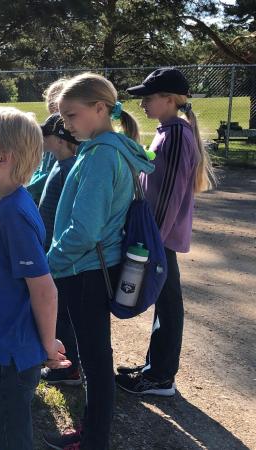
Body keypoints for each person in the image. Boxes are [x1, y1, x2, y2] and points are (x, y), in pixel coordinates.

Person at [43, 73, 154, 450]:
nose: (67, 125)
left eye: (71, 116)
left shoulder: (102, 156)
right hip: (90, 268)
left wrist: (50, 262)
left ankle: (93, 441)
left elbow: (85, 230)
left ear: (100, 108)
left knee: (94, 361)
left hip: (85, 270)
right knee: (95, 358)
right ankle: (93, 436)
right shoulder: (107, 149)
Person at [0, 107, 70, 450]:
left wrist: (48, 343)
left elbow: (44, 289)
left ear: (4, 158)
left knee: (4, 436)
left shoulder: (13, 213)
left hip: (7, 356)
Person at [116, 67, 217, 396]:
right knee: (165, 301)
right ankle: (155, 367)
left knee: (169, 303)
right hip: (158, 236)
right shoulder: (167, 131)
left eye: (148, 97)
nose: (143, 103)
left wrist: (151, 241)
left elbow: (170, 192)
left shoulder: (175, 135)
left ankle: (160, 376)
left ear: (169, 99)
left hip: (159, 238)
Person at [36, 113, 82, 387]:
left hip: (59, 255)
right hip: (49, 250)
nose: (43, 138)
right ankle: (62, 362)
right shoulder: (59, 163)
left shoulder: (69, 168)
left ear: (60, 139)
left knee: (62, 312)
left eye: (46, 133)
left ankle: (69, 367)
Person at [27, 78, 69, 203]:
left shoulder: (68, 137)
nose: (53, 105)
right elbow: (41, 167)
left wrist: (30, 188)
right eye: (50, 101)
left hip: (54, 194)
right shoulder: (49, 130)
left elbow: (56, 172)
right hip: (39, 194)